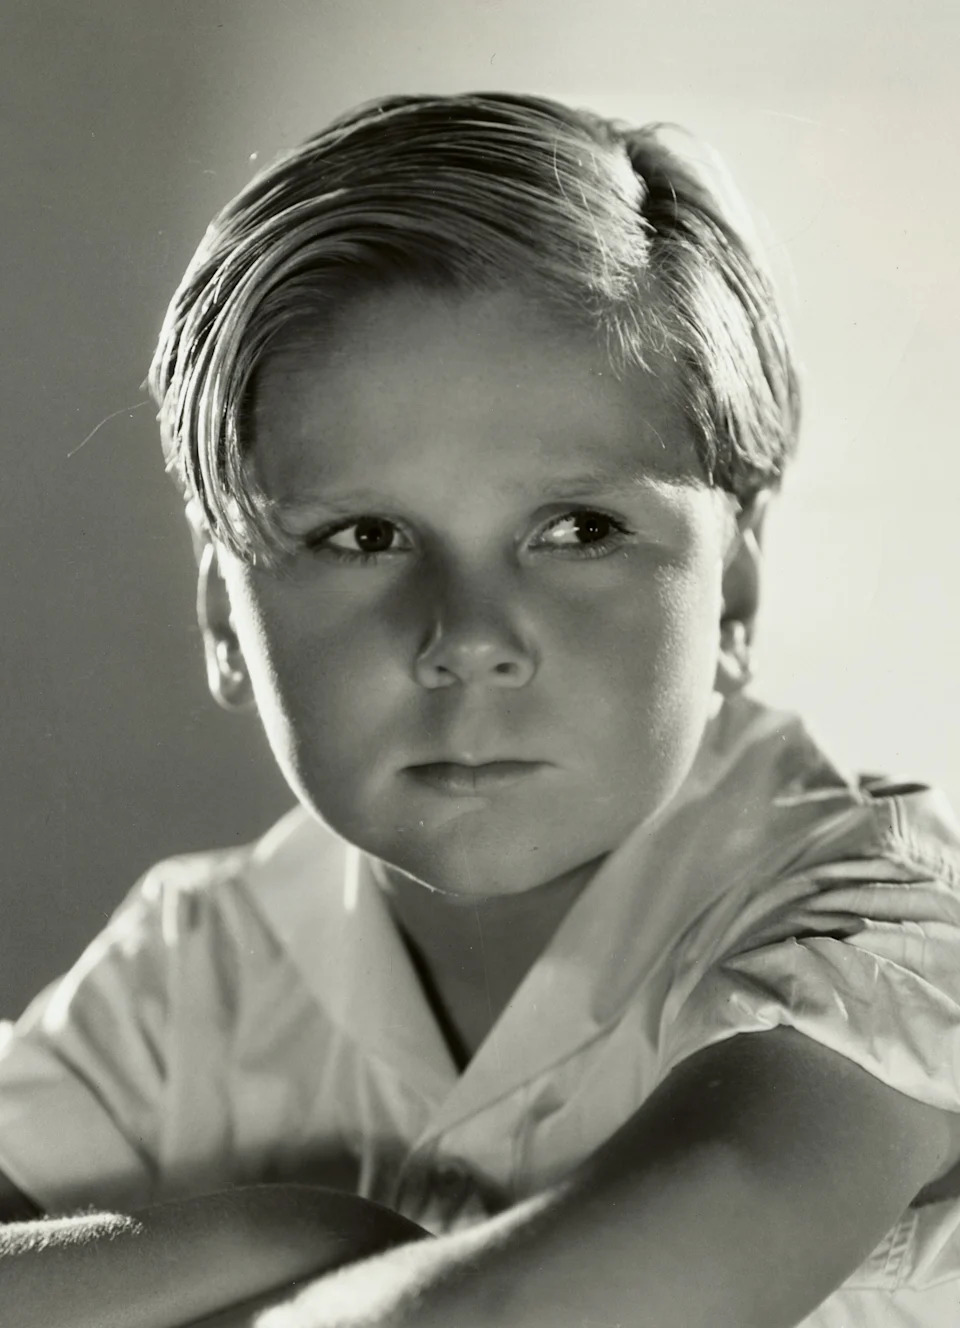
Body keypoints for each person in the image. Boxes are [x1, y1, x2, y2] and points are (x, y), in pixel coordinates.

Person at [1, 91, 959, 1328]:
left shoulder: (879, 929)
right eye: (365, 534)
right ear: (222, 617)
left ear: (732, 582)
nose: (468, 640)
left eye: (577, 530)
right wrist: (297, 1224)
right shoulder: (198, 968)